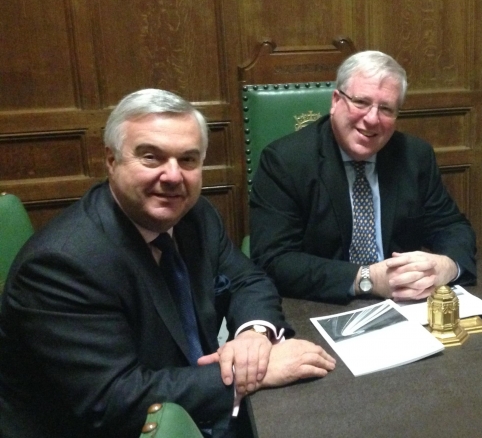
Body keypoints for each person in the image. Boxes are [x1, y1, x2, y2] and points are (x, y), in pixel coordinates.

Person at [0, 89, 335, 438]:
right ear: (111, 161)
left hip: (192, 405)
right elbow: (115, 399)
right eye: (151, 157)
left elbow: (247, 280)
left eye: (188, 160)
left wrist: (254, 335)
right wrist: (254, 374)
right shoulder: (62, 264)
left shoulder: (195, 216)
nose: (173, 176)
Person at [250, 50, 476, 304]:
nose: (372, 119)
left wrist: (447, 265)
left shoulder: (414, 156)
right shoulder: (286, 161)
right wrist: (366, 278)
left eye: (386, 109)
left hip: (405, 304)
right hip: (321, 304)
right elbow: (273, 260)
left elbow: (452, 227)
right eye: (361, 102)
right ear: (336, 101)